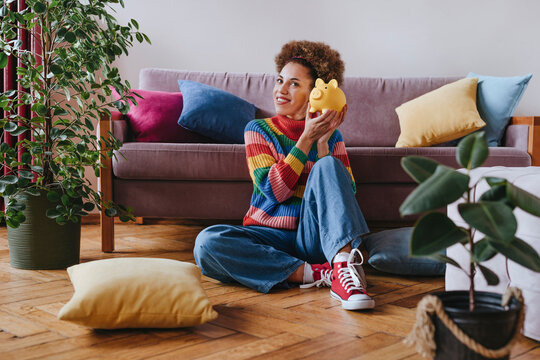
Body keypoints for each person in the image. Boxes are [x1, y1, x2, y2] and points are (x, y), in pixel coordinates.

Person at [194, 40, 374, 310]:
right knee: (207, 244)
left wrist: (322, 144)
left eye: (294, 84)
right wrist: (305, 140)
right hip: (267, 236)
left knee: (328, 167)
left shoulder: (332, 136)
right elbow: (274, 190)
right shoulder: (258, 129)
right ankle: (316, 273)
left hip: (312, 236)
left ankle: (342, 269)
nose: (281, 90)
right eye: (280, 80)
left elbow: (343, 197)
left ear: (316, 93)